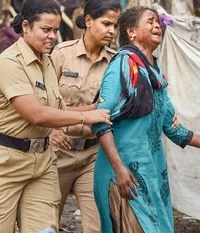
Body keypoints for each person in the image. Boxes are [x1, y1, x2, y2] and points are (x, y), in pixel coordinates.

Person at [92, 6, 200, 233]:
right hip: (124, 177)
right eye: (150, 21)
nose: (157, 26)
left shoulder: (155, 73)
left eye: (158, 22)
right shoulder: (122, 65)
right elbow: (100, 119)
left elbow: (172, 127)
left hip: (150, 174)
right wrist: (119, 168)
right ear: (131, 32)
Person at [0, 0, 111, 232]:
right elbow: (36, 114)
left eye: (55, 30)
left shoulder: (47, 61)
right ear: (27, 26)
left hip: (43, 163)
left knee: (44, 230)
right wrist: (84, 119)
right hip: (7, 163)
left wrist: (90, 111)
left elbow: (56, 109)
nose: (52, 36)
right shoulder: (8, 63)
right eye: (46, 30)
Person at [49, 1, 120, 232]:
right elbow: (43, 100)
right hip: (57, 154)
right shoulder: (62, 53)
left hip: (93, 154)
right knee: (46, 224)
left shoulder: (116, 61)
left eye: (115, 25)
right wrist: (51, 130)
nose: (112, 30)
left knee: (97, 226)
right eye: (106, 23)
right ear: (89, 21)